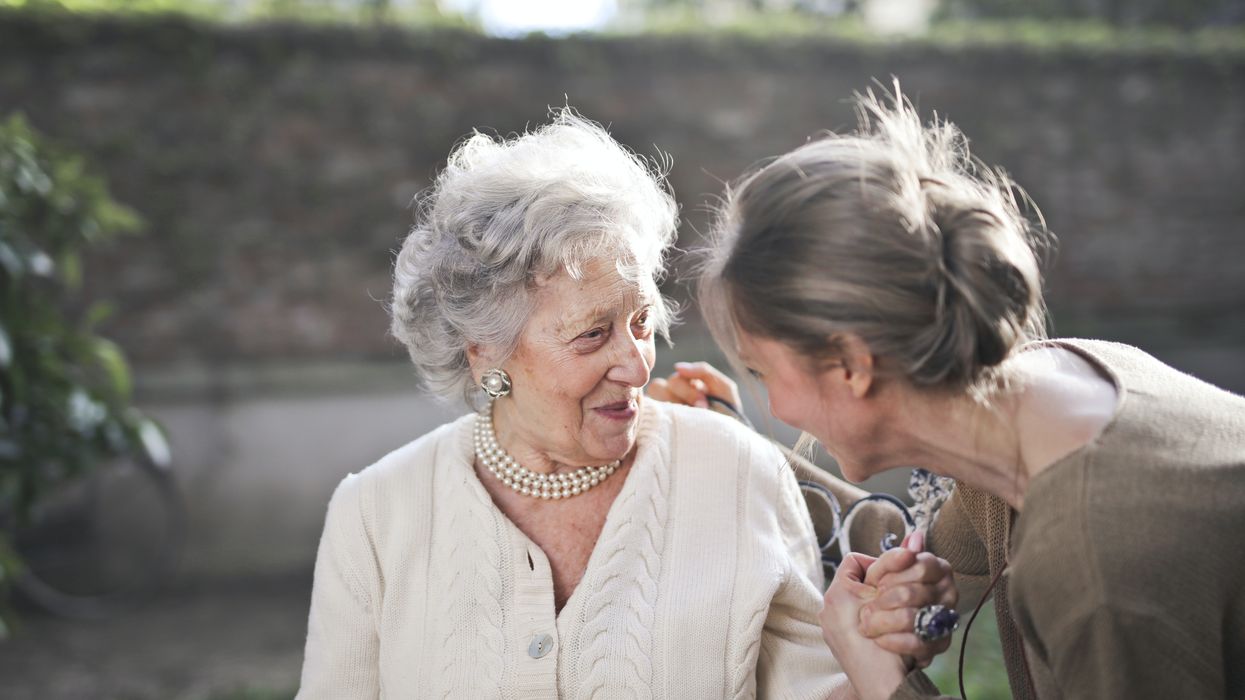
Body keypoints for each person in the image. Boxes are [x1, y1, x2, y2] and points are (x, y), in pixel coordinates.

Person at [685, 86, 1245, 699]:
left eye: (762, 373)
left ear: (850, 365)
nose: (777, 407)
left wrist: (880, 679)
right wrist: (728, 440)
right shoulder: (1048, 392)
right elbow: (905, 543)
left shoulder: (1097, 569)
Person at [296, 110, 868, 698]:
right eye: (592, 334)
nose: (639, 363)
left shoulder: (740, 474)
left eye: (642, 321)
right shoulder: (375, 513)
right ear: (485, 353)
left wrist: (875, 655)